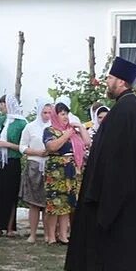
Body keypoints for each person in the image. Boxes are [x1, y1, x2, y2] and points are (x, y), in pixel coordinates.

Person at [64, 57, 136, 271]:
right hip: (123, 184)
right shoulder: (128, 106)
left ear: (121, 82)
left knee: (117, 232)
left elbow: (117, 154)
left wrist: (105, 185)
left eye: (111, 78)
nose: (108, 82)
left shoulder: (126, 108)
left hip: (120, 185)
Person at [43, 102, 87, 245]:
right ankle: (50, 236)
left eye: (66, 113)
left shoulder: (72, 130)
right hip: (56, 170)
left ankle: (63, 235)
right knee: (55, 203)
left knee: (67, 203)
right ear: (56, 116)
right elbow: (51, 146)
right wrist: (65, 135)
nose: (65, 116)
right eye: (62, 114)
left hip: (72, 170)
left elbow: (87, 142)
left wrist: (80, 127)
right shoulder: (49, 130)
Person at [0, 95, 27, 237]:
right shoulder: (2, 120)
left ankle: (10, 227)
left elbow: (24, 147)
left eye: (3, 104)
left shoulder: (22, 124)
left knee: (10, 193)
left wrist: (8, 145)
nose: (1, 107)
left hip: (12, 161)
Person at [19, 100, 53, 243]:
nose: (47, 115)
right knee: (33, 203)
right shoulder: (30, 127)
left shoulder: (54, 127)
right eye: (44, 112)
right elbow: (22, 146)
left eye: (50, 112)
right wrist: (37, 152)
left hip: (50, 166)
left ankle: (47, 234)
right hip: (34, 165)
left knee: (48, 202)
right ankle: (32, 233)